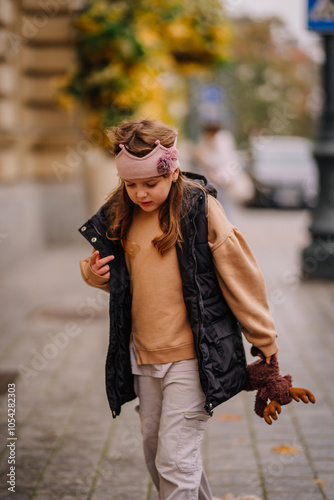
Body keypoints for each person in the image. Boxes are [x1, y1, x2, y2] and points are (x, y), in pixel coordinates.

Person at [78, 119, 278, 500]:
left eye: (150, 183)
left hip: (193, 358)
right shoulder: (120, 213)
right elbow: (118, 277)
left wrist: (264, 337)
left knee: (175, 460)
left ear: (171, 171)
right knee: (157, 454)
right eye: (131, 184)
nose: (140, 193)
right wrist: (94, 273)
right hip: (144, 356)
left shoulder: (199, 209)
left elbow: (240, 274)